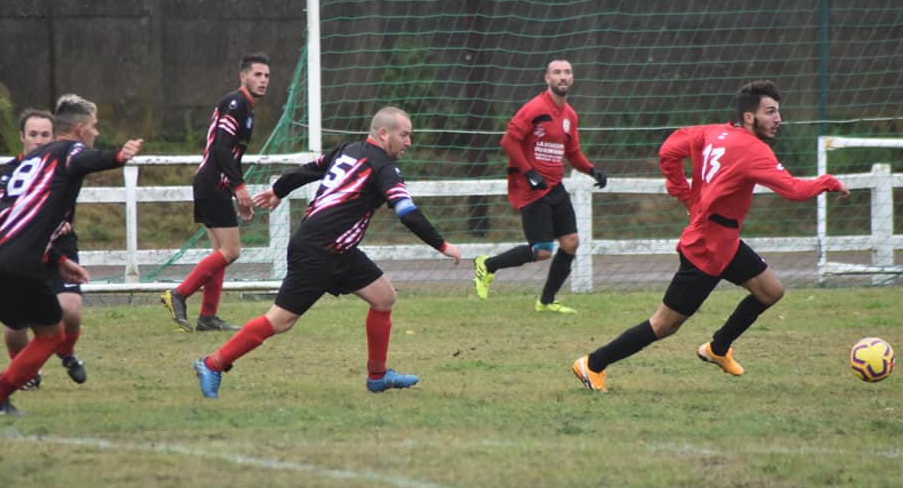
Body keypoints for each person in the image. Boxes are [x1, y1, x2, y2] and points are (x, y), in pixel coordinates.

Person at [572, 80, 849, 392]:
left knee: (770, 291)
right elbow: (794, 190)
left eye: (778, 112)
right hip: (706, 249)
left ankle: (718, 348)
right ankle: (593, 364)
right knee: (664, 324)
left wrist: (685, 196)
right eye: (770, 112)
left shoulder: (713, 132)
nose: (778, 119)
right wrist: (828, 182)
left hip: (724, 241)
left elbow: (668, 151)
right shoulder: (754, 150)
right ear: (749, 117)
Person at [192, 106, 462, 399]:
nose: (408, 142)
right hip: (318, 250)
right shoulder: (383, 167)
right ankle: (212, 364)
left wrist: (279, 189)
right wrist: (442, 245)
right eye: (404, 135)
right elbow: (406, 212)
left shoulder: (349, 150)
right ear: (384, 134)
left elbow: (312, 168)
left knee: (384, 297)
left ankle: (378, 376)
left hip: (339, 249)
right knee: (280, 321)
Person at [0, 94, 142, 415]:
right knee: (50, 336)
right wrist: (118, 156)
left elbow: (29, 216)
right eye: (94, 126)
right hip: (21, 261)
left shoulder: (33, 161)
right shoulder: (67, 150)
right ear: (81, 129)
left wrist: (58, 259)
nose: (96, 132)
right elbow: (83, 160)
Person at [473, 59, 607, 313]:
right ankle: (487, 265)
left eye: (567, 72)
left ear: (572, 78)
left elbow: (572, 152)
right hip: (531, 186)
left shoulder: (570, 115)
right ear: (547, 78)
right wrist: (530, 173)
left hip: (554, 186)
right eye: (557, 72)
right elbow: (508, 142)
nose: (562, 76)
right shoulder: (535, 108)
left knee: (571, 242)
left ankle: (546, 302)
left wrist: (592, 170)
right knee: (543, 251)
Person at [161, 52, 271, 332]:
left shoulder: (246, 108)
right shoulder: (236, 104)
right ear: (243, 76)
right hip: (212, 184)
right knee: (231, 251)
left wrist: (237, 192)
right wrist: (239, 187)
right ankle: (179, 294)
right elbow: (221, 148)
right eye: (257, 74)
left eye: (266, 76)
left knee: (221, 252)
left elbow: (230, 154)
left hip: (215, 185)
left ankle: (208, 317)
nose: (263, 80)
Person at [0, 108, 87, 390]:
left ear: (54, 137)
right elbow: (9, 213)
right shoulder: (11, 172)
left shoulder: (64, 166)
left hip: (59, 246)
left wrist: (62, 221)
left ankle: (66, 352)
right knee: (15, 325)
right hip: (22, 250)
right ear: (22, 137)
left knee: (70, 310)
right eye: (33, 134)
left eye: (45, 135)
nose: (38, 140)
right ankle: (26, 372)